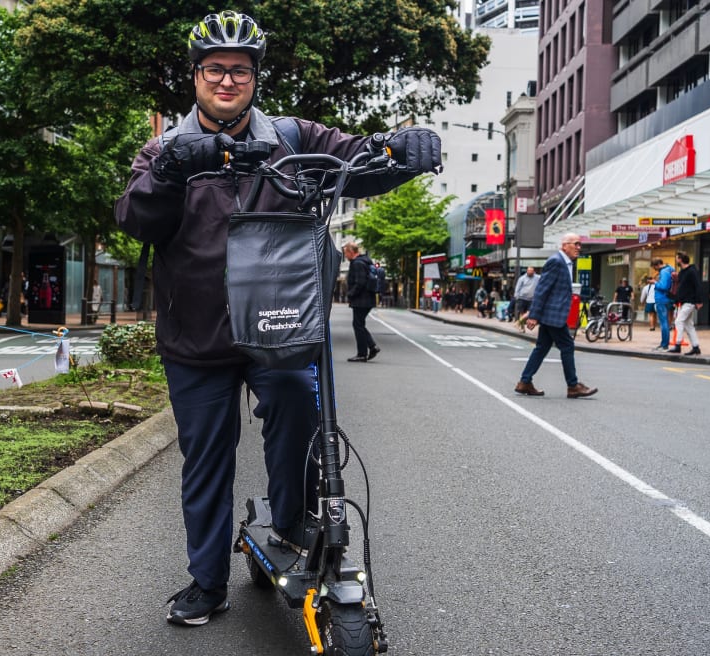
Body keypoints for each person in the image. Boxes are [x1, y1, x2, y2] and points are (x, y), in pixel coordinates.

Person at [114, 10, 440, 628]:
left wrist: (405, 148)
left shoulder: (294, 136)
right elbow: (135, 219)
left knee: (299, 411)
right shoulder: (163, 149)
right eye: (216, 69)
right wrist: (174, 168)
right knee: (206, 458)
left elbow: (361, 159)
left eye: (240, 70)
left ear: (255, 76)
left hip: (280, 327)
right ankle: (206, 583)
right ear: (196, 76)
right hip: (196, 338)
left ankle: (288, 526)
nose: (227, 80)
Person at [514, 233, 597, 399]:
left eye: (580, 245)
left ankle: (525, 382)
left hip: (553, 314)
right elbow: (542, 289)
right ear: (564, 245)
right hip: (553, 314)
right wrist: (534, 315)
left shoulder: (566, 263)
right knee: (567, 346)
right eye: (576, 244)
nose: (579, 248)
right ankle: (573, 386)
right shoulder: (556, 262)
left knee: (542, 348)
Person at [343, 243, 382, 361]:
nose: (345, 256)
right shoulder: (365, 261)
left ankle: (364, 352)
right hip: (367, 298)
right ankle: (368, 349)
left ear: (351, 252)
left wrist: (350, 294)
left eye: (346, 253)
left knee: (358, 325)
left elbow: (360, 282)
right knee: (359, 324)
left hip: (361, 300)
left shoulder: (357, 263)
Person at [669, 252, 703, 355]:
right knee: (689, 325)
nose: (676, 260)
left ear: (680, 259)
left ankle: (678, 345)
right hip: (685, 301)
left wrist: (699, 301)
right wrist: (676, 300)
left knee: (679, 321)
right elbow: (681, 288)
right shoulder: (682, 272)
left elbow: (698, 286)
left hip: (690, 301)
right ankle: (696, 347)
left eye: (677, 258)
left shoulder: (692, 271)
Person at [652, 257, 676, 351]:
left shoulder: (664, 272)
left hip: (662, 299)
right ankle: (663, 344)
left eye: (655, 267)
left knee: (664, 323)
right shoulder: (670, 269)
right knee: (665, 322)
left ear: (658, 264)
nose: (655, 269)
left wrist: (655, 282)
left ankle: (664, 344)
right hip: (667, 298)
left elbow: (664, 286)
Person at [512, 266, 539, 330]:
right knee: (522, 313)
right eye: (529, 271)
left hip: (532, 299)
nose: (530, 272)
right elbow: (517, 287)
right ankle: (522, 327)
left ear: (533, 271)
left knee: (529, 313)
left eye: (531, 271)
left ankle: (518, 322)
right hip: (522, 298)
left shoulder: (537, 277)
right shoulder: (522, 278)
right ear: (527, 271)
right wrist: (516, 296)